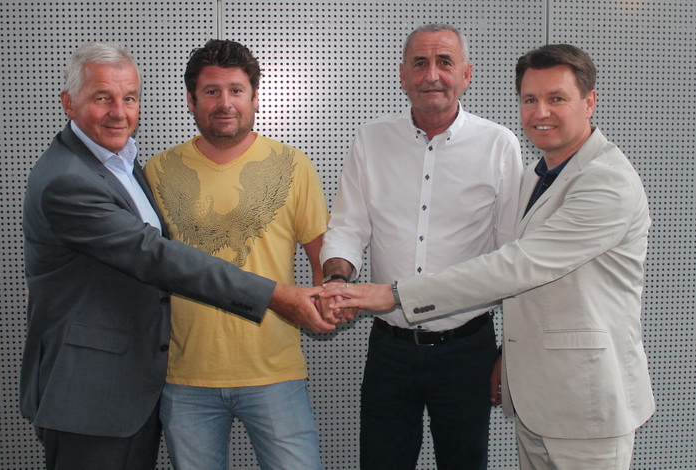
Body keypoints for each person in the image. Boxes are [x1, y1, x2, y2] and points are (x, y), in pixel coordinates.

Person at [322, 44, 655, 470]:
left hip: (584, 398)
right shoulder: (541, 175)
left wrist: (394, 294)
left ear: (589, 102)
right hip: (537, 395)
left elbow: (514, 265)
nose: (540, 112)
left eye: (556, 98)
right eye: (530, 99)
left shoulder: (605, 182)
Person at [20, 42, 335, 470]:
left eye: (129, 98)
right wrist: (275, 296)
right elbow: (156, 257)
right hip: (99, 391)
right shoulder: (71, 179)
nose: (119, 112)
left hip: (148, 386)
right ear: (69, 104)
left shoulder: (121, 165)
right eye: (102, 98)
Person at [318, 24, 523, 470]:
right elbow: (349, 226)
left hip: (468, 349)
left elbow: (513, 259)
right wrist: (336, 280)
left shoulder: (499, 146)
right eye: (420, 63)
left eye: (444, 62)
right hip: (390, 349)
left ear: (466, 75)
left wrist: (508, 351)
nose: (432, 75)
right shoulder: (370, 141)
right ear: (403, 75)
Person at [143, 39, 327, 470]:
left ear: (255, 97)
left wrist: (323, 305)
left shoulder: (293, 165)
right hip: (187, 377)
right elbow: (143, 263)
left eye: (236, 90)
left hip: (275, 373)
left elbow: (323, 257)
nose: (225, 103)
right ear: (191, 101)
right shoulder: (158, 172)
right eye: (211, 91)